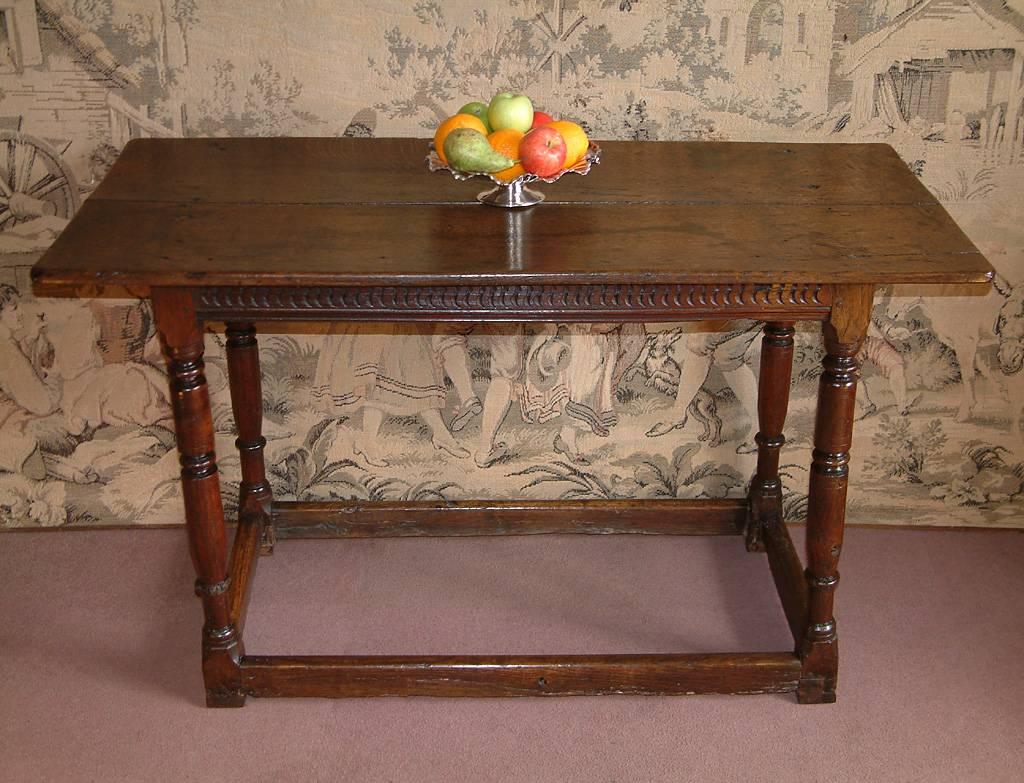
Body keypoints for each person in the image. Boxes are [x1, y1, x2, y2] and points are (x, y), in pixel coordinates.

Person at [0, 285, 58, 479]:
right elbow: (41, 403)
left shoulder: (6, 344)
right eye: (14, 308)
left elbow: (19, 368)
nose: (22, 313)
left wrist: (32, 339)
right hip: (9, 422)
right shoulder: (6, 351)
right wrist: (59, 382)